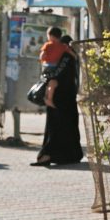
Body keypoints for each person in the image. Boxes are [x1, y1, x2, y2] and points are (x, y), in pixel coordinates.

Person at [31, 34, 84, 167]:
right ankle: (70, 155)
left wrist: (46, 77)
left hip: (60, 98)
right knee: (69, 125)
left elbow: (57, 74)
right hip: (68, 97)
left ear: (65, 45)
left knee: (55, 127)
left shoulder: (66, 57)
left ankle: (48, 155)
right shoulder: (74, 58)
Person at [38, 27, 67, 107]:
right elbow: (71, 53)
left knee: (49, 83)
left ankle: (48, 99)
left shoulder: (48, 45)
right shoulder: (63, 46)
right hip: (57, 68)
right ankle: (49, 99)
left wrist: (42, 60)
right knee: (53, 83)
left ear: (51, 36)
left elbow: (42, 56)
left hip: (47, 67)